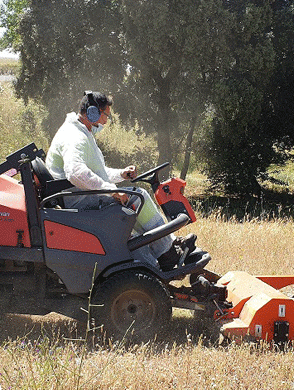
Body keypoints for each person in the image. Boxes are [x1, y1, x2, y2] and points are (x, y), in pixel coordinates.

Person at [45, 91, 194, 270]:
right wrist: (112, 190)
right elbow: (76, 173)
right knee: (139, 197)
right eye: (106, 115)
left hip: (78, 193)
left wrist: (121, 174)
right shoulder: (75, 137)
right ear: (93, 112)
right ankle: (168, 253)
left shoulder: (80, 132)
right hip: (78, 199)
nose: (106, 121)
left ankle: (165, 250)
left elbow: (95, 173)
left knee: (134, 203)